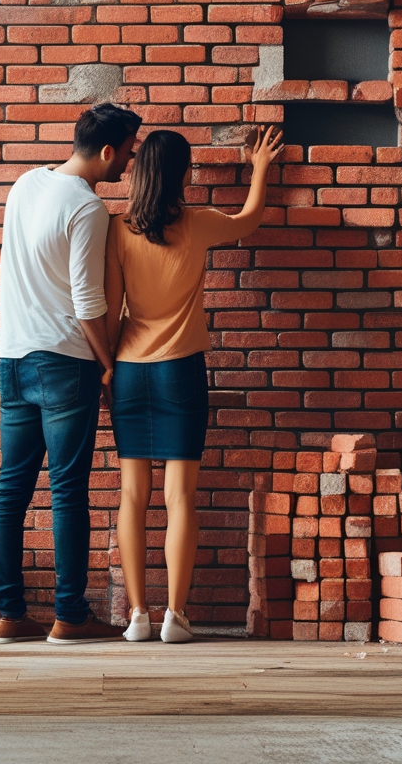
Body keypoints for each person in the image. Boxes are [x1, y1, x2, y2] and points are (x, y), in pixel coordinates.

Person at [105, 125, 284, 643]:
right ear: (184, 173)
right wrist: (261, 168)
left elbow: (114, 308)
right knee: (179, 497)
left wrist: (108, 372)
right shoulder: (200, 223)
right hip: (180, 370)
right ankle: (175, 617)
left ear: (138, 173)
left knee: (131, 497)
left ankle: (137, 615)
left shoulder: (119, 230)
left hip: (130, 370)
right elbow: (248, 220)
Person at [0, 102, 142, 644]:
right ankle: (69, 615)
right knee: (68, 491)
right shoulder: (88, 208)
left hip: (13, 357)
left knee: (12, 488)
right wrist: (109, 366)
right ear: (106, 151)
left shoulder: (25, 184)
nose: (127, 164)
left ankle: (9, 616)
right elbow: (87, 300)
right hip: (64, 362)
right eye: (126, 153)